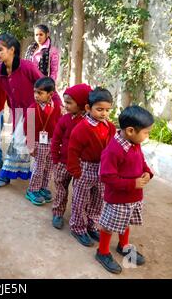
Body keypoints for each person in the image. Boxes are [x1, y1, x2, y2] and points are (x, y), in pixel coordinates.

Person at [0, 33, 62, 189]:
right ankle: (21, 177)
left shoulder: (27, 67)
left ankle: (7, 177)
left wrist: (58, 104)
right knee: (20, 144)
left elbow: (46, 84)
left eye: (0, 50)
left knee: (23, 144)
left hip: (35, 112)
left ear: (12, 50)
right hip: (18, 112)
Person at [96, 106, 154, 274]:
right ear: (130, 130)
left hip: (133, 197)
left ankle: (123, 246)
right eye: (146, 132)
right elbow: (106, 177)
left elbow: (141, 162)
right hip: (117, 199)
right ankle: (103, 252)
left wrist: (147, 173)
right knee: (108, 226)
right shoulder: (113, 150)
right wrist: (132, 184)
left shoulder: (134, 143)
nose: (147, 136)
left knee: (126, 222)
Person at [67, 87, 116, 247]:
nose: (104, 113)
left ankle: (92, 224)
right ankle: (78, 227)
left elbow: (113, 148)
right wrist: (76, 171)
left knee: (98, 199)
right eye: (100, 109)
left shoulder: (110, 127)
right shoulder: (81, 128)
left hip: (103, 170)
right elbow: (73, 151)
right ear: (88, 108)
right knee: (81, 199)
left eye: (108, 110)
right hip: (85, 168)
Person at [50, 83, 92, 229]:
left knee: (80, 194)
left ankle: (78, 217)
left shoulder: (89, 122)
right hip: (63, 162)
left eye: (69, 102)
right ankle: (58, 213)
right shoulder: (65, 119)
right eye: (65, 102)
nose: (65, 105)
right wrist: (55, 159)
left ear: (81, 104)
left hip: (81, 165)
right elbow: (56, 139)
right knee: (61, 188)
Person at [24, 77, 62, 206]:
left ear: (50, 94)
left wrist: (59, 141)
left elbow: (59, 124)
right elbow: (27, 128)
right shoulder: (31, 108)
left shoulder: (56, 107)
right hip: (38, 142)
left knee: (49, 166)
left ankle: (43, 187)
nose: (36, 96)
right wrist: (30, 145)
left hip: (52, 141)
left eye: (40, 93)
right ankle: (33, 190)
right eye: (35, 92)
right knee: (39, 167)